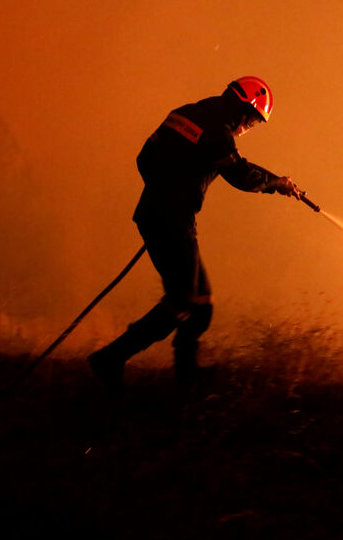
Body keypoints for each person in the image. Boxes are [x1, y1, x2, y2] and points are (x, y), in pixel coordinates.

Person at [88, 76, 301, 395]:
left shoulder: (187, 112)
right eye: (254, 122)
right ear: (246, 109)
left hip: (158, 214)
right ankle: (111, 358)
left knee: (201, 303)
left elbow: (144, 158)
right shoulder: (219, 131)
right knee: (184, 298)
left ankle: (186, 376)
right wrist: (277, 183)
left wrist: (163, 189)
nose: (249, 128)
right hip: (171, 218)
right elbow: (239, 174)